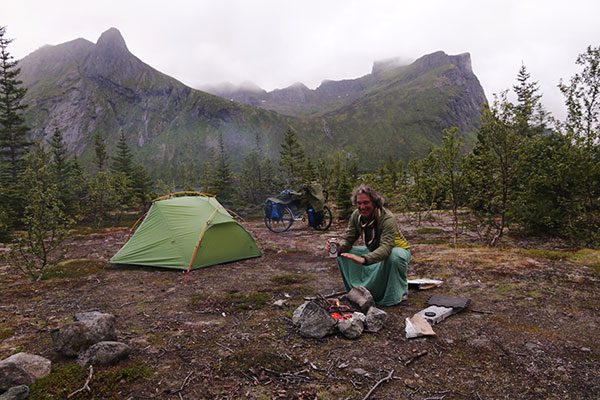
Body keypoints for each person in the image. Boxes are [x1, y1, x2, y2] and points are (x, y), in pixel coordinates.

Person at [330, 185, 410, 306]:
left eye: (366, 203)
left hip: (396, 249)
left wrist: (364, 259)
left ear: (374, 202)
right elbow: (349, 238)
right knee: (343, 254)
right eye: (359, 203)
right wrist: (338, 247)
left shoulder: (387, 218)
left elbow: (386, 247)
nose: (362, 207)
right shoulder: (356, 216)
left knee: (394, 257)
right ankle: (357, 292)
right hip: (374, 249)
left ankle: (398, 293)